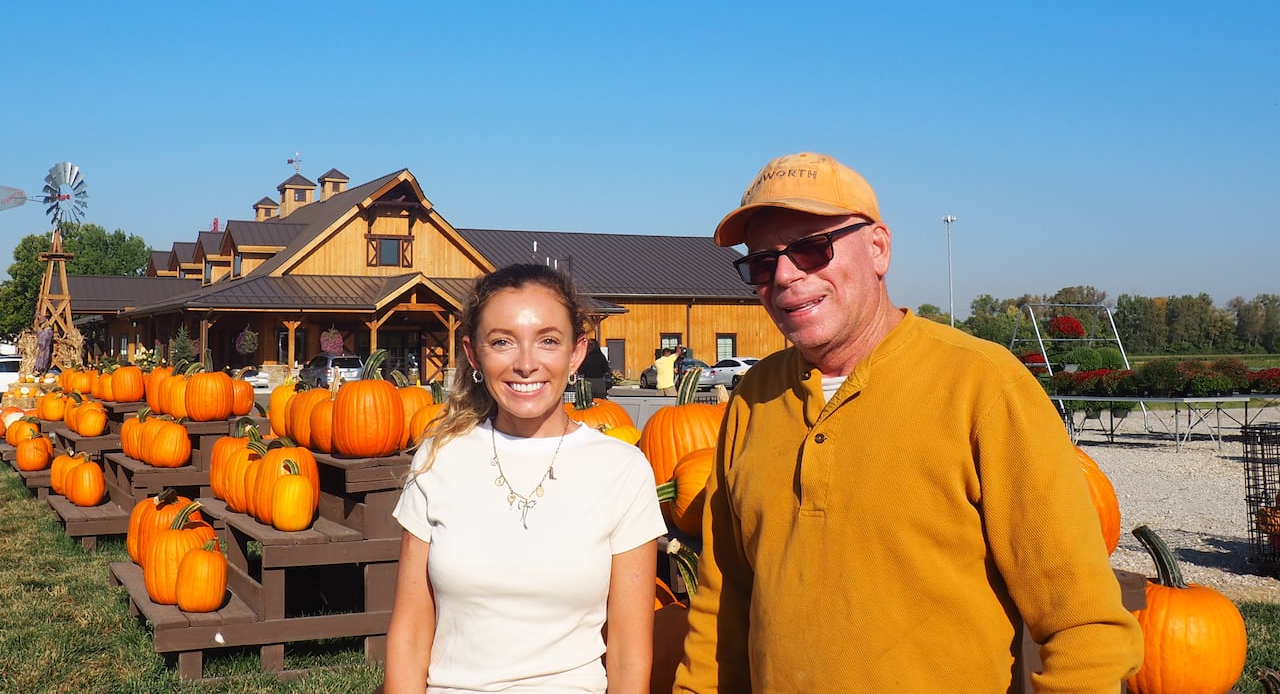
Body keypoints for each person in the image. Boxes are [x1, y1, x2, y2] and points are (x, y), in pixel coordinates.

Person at [674, 153, 1142, 693]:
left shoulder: (983, 386)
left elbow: (1083, 625)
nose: (785, 275)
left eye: (810, 248)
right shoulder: (754, 398)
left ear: (878, 248)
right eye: (761, 261)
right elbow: (722, 603)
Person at [385, 263, 666, 694]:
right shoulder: (439, 458)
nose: (526, 364)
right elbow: (409, 635)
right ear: (474, 354)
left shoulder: (623, 470)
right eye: (502, 342)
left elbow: (629, 654)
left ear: (576, 353)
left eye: (548, 341)